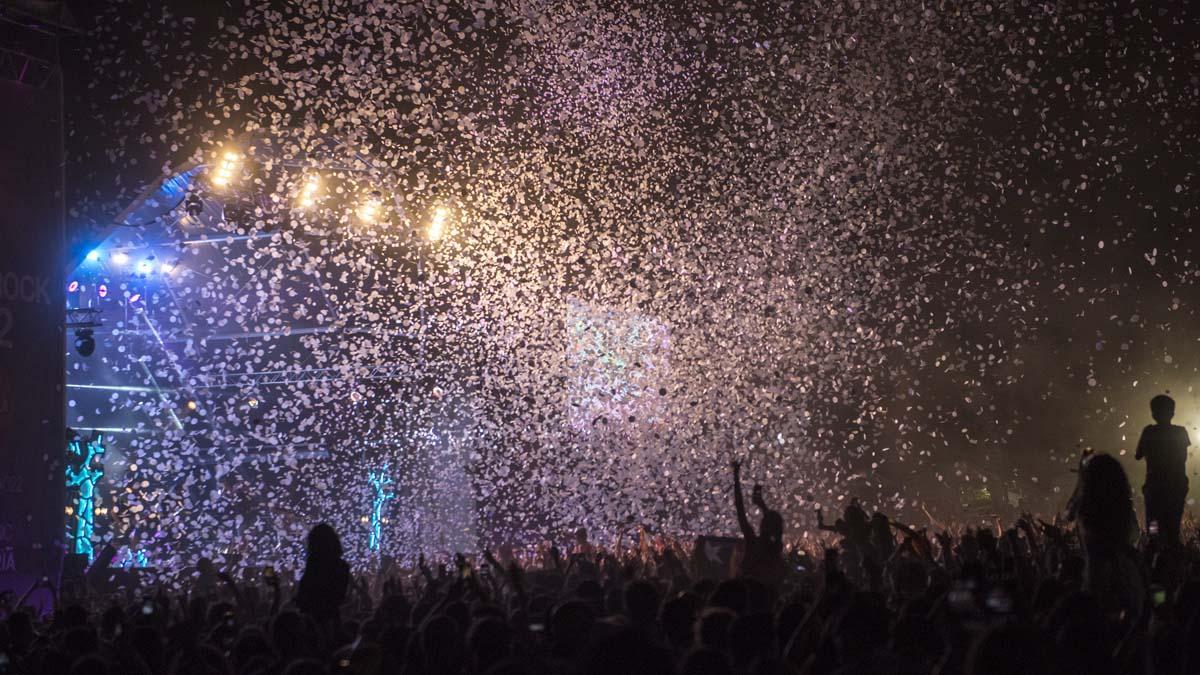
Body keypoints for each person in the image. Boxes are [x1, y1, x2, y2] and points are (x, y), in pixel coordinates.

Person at [1135, 394, 1191, 545]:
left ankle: (1153, 551)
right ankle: (1173, 558)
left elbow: (1138, 455)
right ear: (1172, 413)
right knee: (1173, 525)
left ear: (1153, 413)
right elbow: (1183, 458)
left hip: (1155, 487)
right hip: (1176, 486)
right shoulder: (1180, 432)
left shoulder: (1149, 432)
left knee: (1153, 523)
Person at [730, 460, 785, 587]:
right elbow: (773, 524)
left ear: (763, 526)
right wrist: (761, 504)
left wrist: (736, 476)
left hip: (747, 596)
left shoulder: (753, 543)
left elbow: (740, 509)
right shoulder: (776, 547)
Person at [295, 522, 350, 626]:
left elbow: (305, 593)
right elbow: (340, 598)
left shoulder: (314, 564)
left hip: (311, 621)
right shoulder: (342, 566)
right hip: (332, 621)